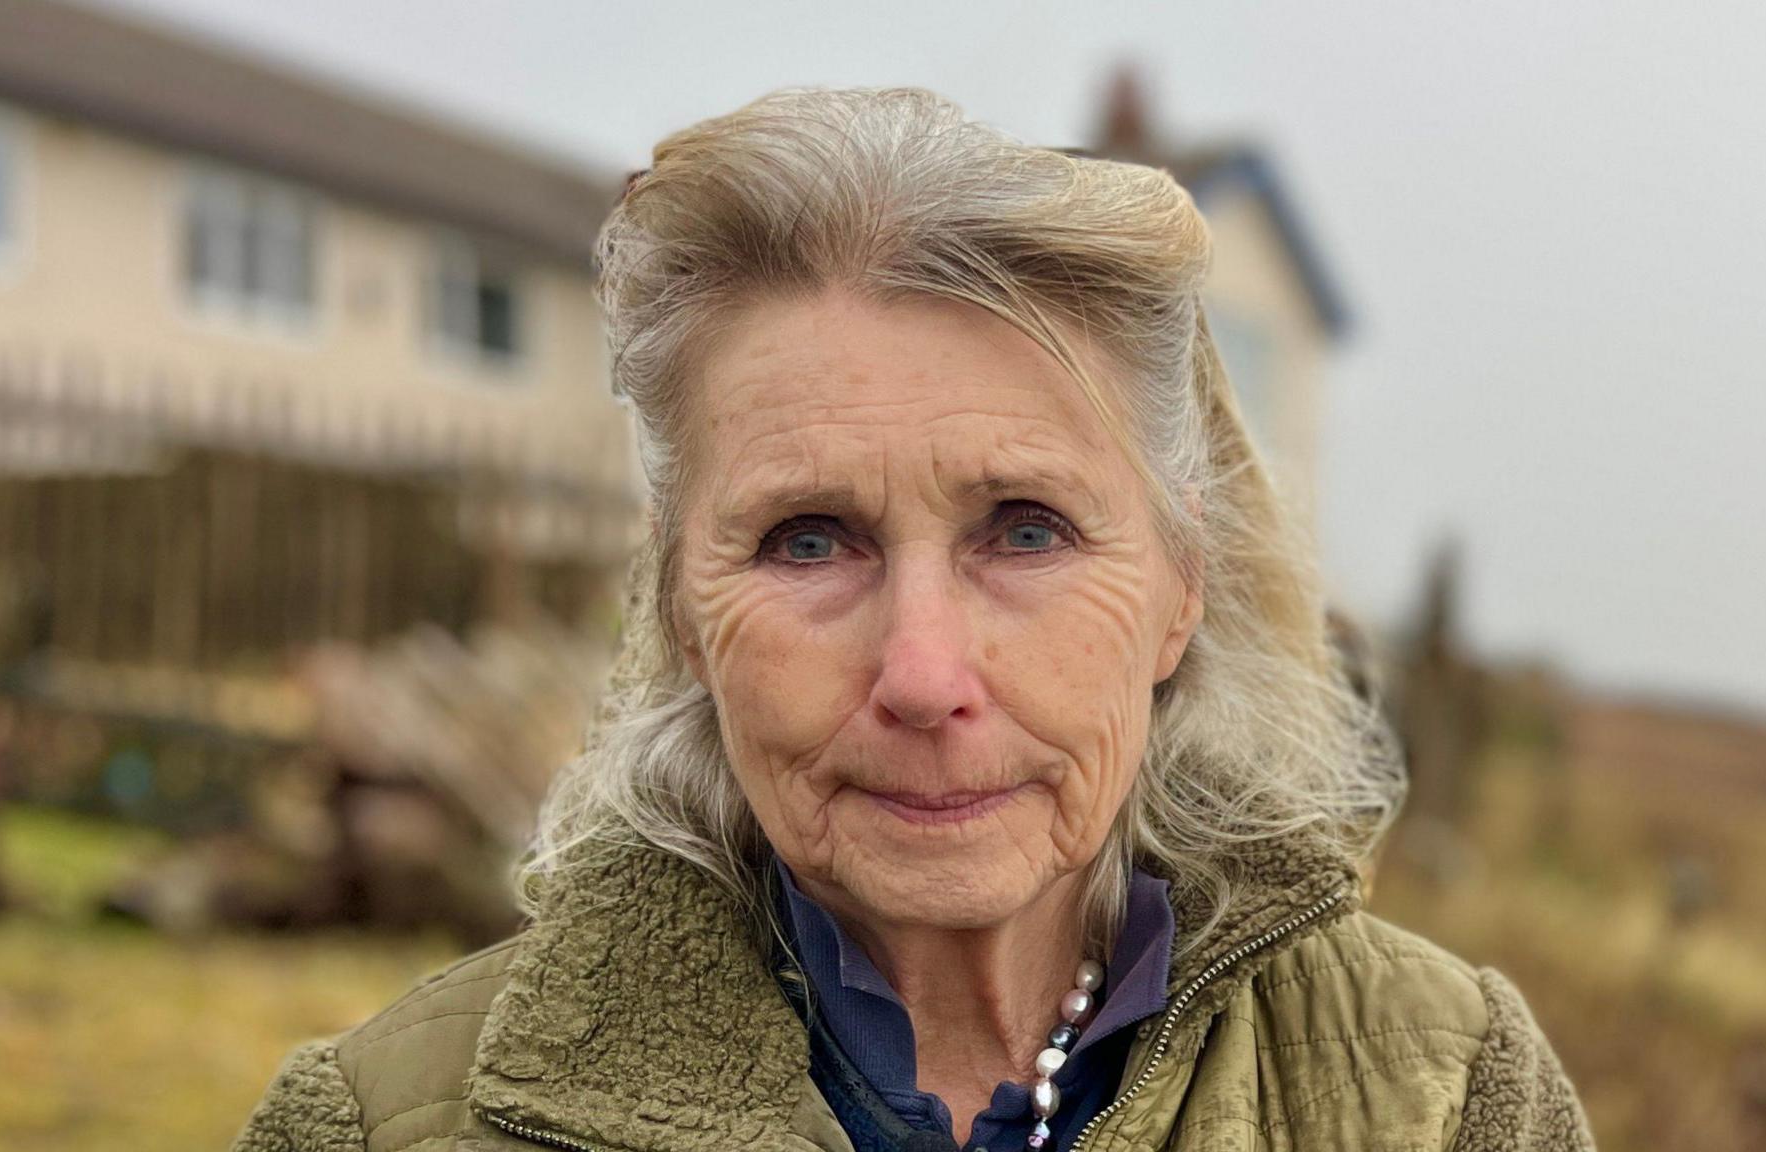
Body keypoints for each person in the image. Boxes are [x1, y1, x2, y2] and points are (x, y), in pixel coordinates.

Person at [234, 86, 1594, 1152]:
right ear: (682, 608)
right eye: (807, 539)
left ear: (1180, 586)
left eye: (1027, 529)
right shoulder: (378, 1127)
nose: (923, 673)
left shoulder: (1448, 1096)